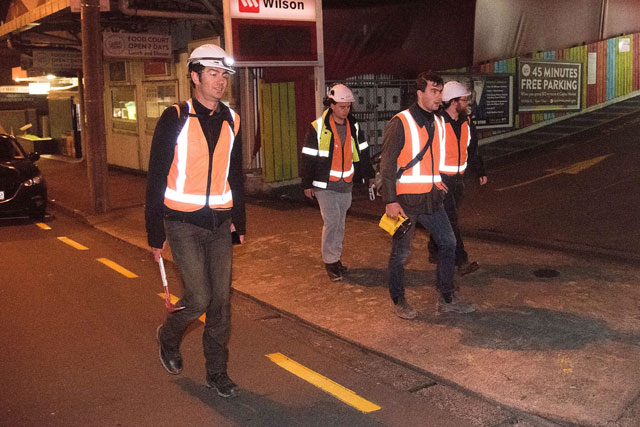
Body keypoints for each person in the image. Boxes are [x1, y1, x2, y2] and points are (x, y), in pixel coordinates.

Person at [145, 44, 245, 398]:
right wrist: (154, 231)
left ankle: (217, 373)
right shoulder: (174, 117)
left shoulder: (232, 118)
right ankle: (168, 337)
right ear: (194, 76)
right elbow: (156, 175)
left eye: (224, 75)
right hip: (181, 224)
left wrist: (239, 221)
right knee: (200, 297)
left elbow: (235, 173)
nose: (220, 82)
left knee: (221, 303)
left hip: (220, 223)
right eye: (213, 74)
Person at [380, 71, 476, 319]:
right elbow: (387, 165)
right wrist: (390, 201)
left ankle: (446, 298)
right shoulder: (400, 122)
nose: (438, 96)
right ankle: (398, 299)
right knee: (401, 253)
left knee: (449, 243)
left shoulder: (438, 122)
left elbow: (434, 159)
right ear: (419, 92)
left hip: (431, 199)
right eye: (434, 91)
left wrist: (438, 181)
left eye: (440, 92)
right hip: (404, 202)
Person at [300, 84, 376, 281]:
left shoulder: (354, 127)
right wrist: (307, 183)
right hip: (324, 184)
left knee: (340, 223)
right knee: (332, 221)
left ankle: (336, 259)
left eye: (348, 106)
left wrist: (369, 175)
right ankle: (330, 261)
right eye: (342, 106)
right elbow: (308, 157)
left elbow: (363, 153)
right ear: (331, 105)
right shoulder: (317, 128)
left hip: (346, 183)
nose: (346, 110)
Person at [428, 80, 487, 275]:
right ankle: (461, 261)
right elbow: (427, 153)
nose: (467, 103)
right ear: (454, 102)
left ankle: (434, 249)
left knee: (444, 219)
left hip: (458, 181)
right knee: (451, 221)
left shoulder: (467, 123)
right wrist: (433, 179)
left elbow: (473, 150)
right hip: (441, 181)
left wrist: (481, 171)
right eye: (464, 100)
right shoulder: (436, 123)